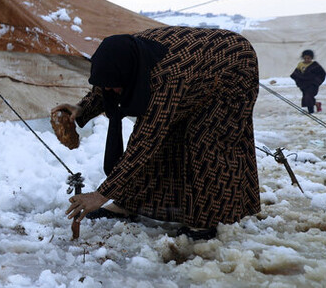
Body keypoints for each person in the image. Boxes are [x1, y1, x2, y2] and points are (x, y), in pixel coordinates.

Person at [55, 26, 260, 241]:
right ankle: (127, 204)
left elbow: (146, 142)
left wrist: (101, 194)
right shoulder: (129, 54)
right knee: (161, 136)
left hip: (234, 67)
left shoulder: (169, 78)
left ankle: (204, 220)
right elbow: (108, 82)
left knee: (204, 142)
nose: (112, 91)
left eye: (116, 87)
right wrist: (82, 108)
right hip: (198, 66)